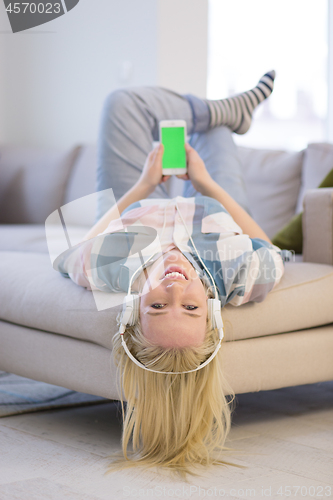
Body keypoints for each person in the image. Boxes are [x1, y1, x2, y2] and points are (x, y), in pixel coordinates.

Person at [53, 71, 291, 477]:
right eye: (192, 306)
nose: (174, 284)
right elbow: (274, 251)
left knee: (122, 102)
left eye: (159, 305)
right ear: (212, 312)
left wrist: (143, 186)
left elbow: (68, 256)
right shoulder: (235, 274)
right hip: (210, 203)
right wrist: (208, 185)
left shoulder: (114, 270)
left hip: (139, 207)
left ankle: (226, 110)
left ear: (132, 311)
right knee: (215, 131)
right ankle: (225, 113)